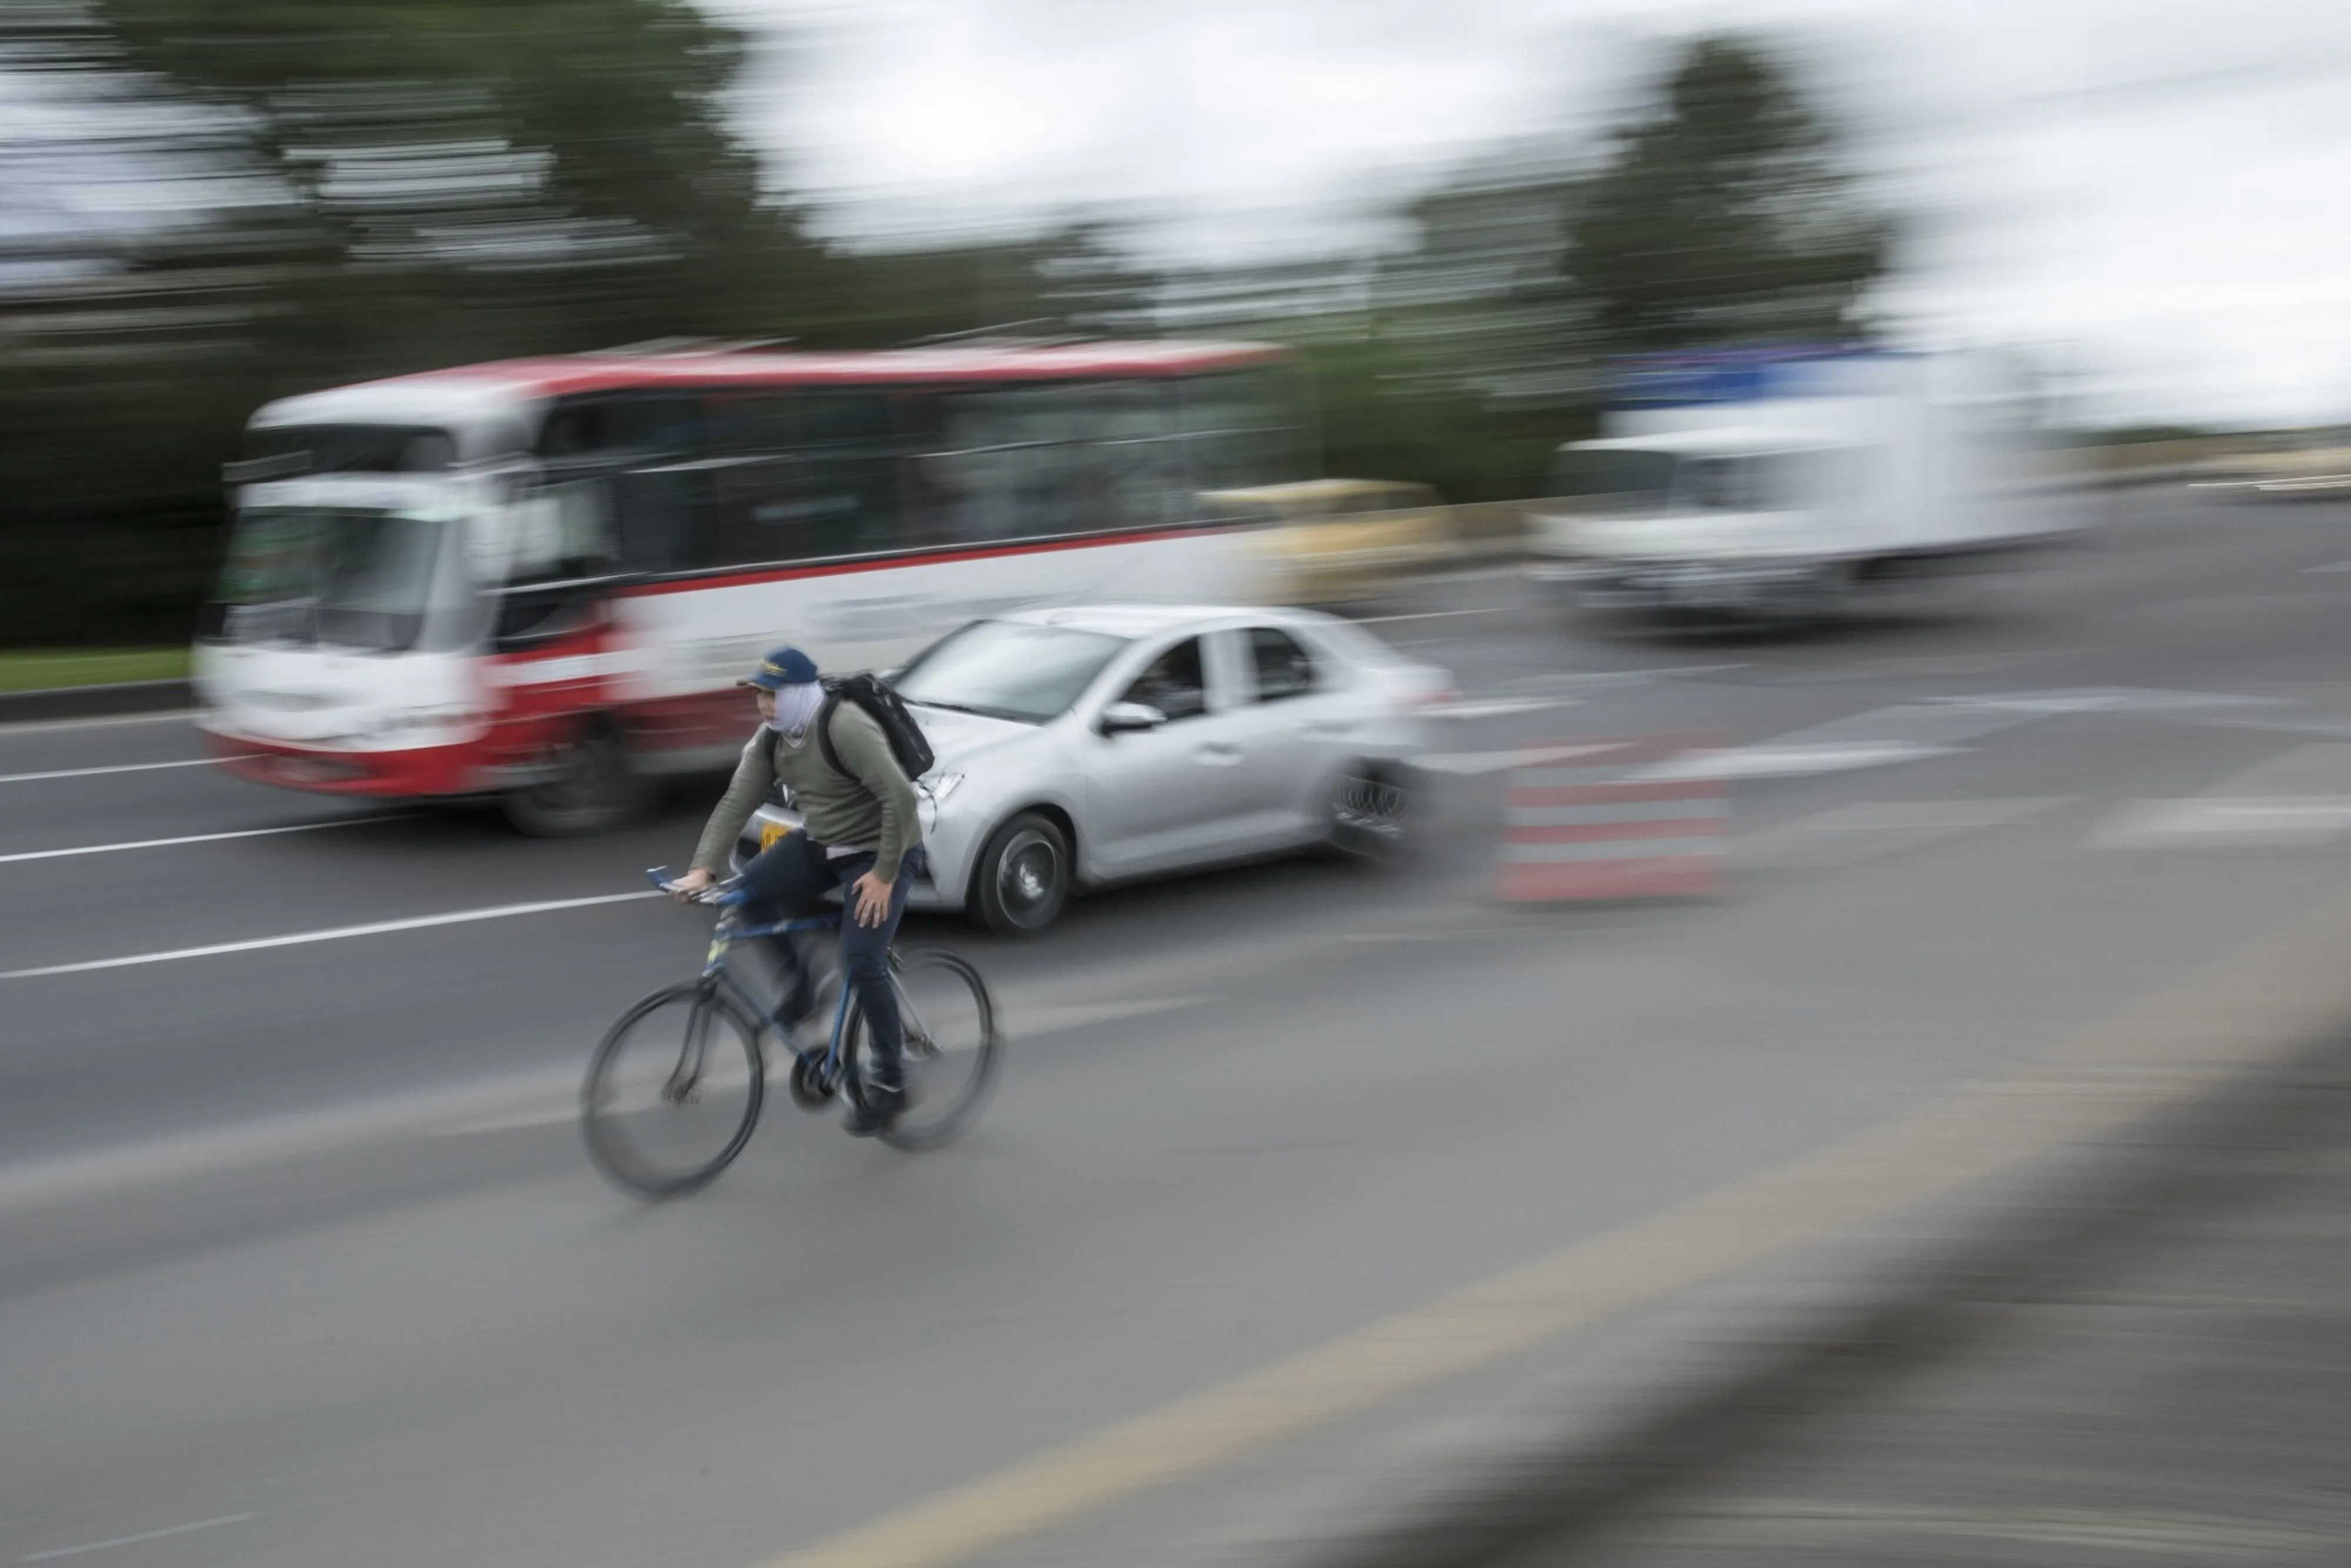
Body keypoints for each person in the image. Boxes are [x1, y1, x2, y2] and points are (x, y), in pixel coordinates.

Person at [672, 645, 925, 1135]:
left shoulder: (844, 726)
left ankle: (893, 1084)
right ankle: (804, 989)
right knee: (746, 893)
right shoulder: (774, 738)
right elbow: (735, 801)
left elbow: (899, 797)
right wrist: (702, 869)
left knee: (862, 959)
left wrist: (886, 873)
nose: (765, 704)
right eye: (760, 695)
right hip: (824, 842)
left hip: (881, 850)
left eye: (774, 694)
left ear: (802, 691)